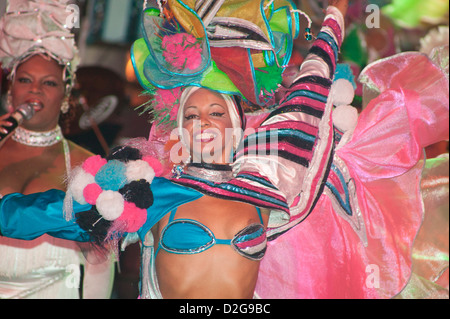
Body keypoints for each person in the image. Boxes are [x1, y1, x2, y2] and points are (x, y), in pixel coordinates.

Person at [0, 0, 448, 299]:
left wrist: (334, 15)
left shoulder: (265, 184)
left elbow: (309, 93)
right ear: (178, 132)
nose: (204, 125)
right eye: (191, 117)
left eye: (216, 114)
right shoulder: (152, 192)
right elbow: (28, 217)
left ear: (237, 128)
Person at [0, 0, 114, 299]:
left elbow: (100, 263)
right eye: (25, 80)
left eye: (48, 82)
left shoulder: (89, 165)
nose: (35, 89)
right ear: (11, 89)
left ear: (65, 95)